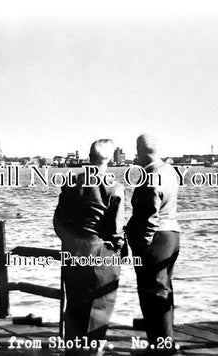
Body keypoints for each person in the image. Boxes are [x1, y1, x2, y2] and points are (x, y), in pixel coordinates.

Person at [53, 139, 125, 356]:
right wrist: (118, 246)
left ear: (89, 156)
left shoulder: (71, 182)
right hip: (102, 253)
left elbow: (58, 221)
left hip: (74, 252)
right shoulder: (115, 187)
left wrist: (70, 242)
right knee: (101, 306)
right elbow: (116, 229)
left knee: (74, 305)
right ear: (111, 159)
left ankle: (73, 352)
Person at [126, 133, 180, 355]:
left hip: (155, 240)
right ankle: (165, 343)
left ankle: (160, 348)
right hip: (171, 235)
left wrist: (140, 245)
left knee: (151, 294)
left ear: (139, 150)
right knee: (163, 291)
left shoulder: (151, 176)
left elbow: (149, 217)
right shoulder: (169, 170)